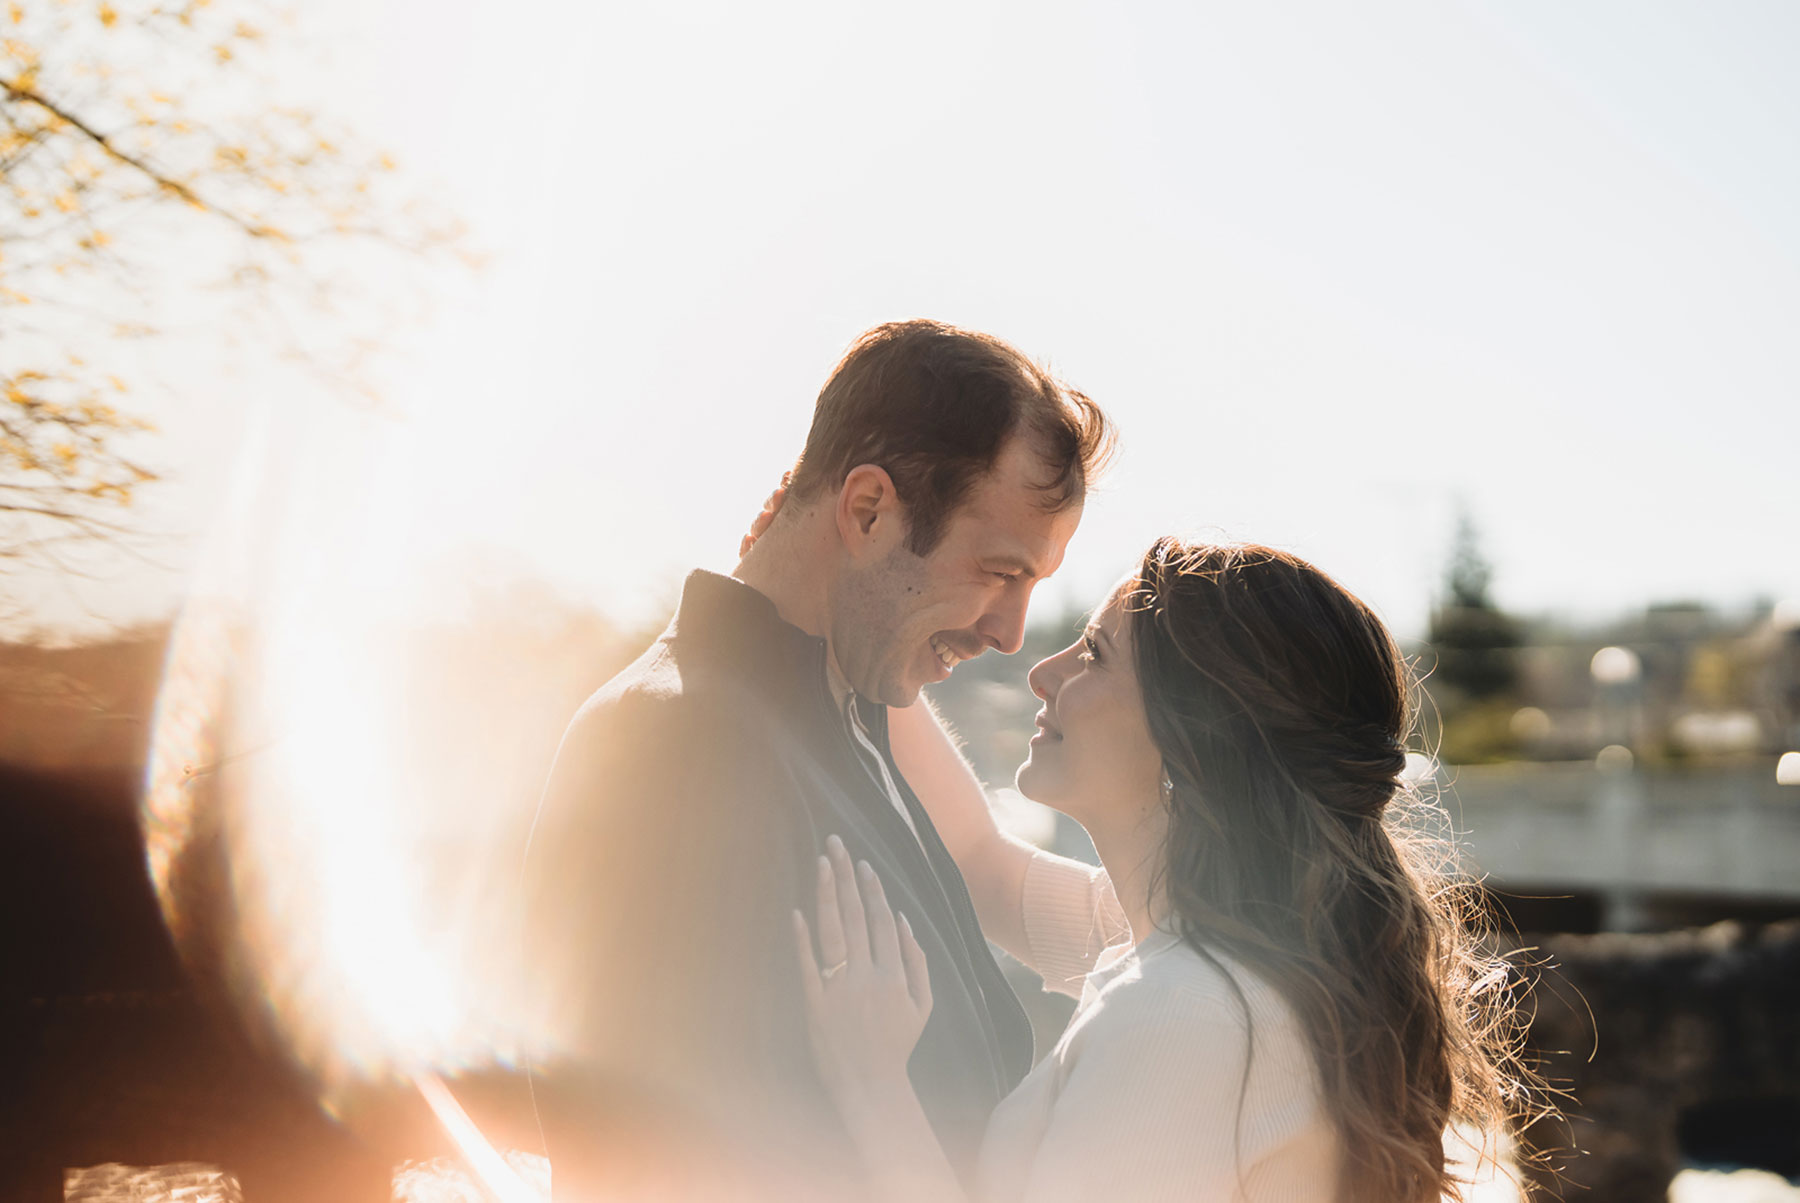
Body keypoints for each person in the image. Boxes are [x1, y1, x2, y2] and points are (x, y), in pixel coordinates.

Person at [520, 319, 1115, 1199]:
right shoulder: (679, 742)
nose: (1010, 633)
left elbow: (993, 870)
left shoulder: (851, 721)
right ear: (869, 510)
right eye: (999, 570)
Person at [793, 537, 1528, 1202]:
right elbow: (982, 864)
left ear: (1192, 740)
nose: (1043, 674)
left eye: (1093, 655)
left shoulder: (1187, 1014)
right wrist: (857, 609)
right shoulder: (1219, 955)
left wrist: (873, 1082)